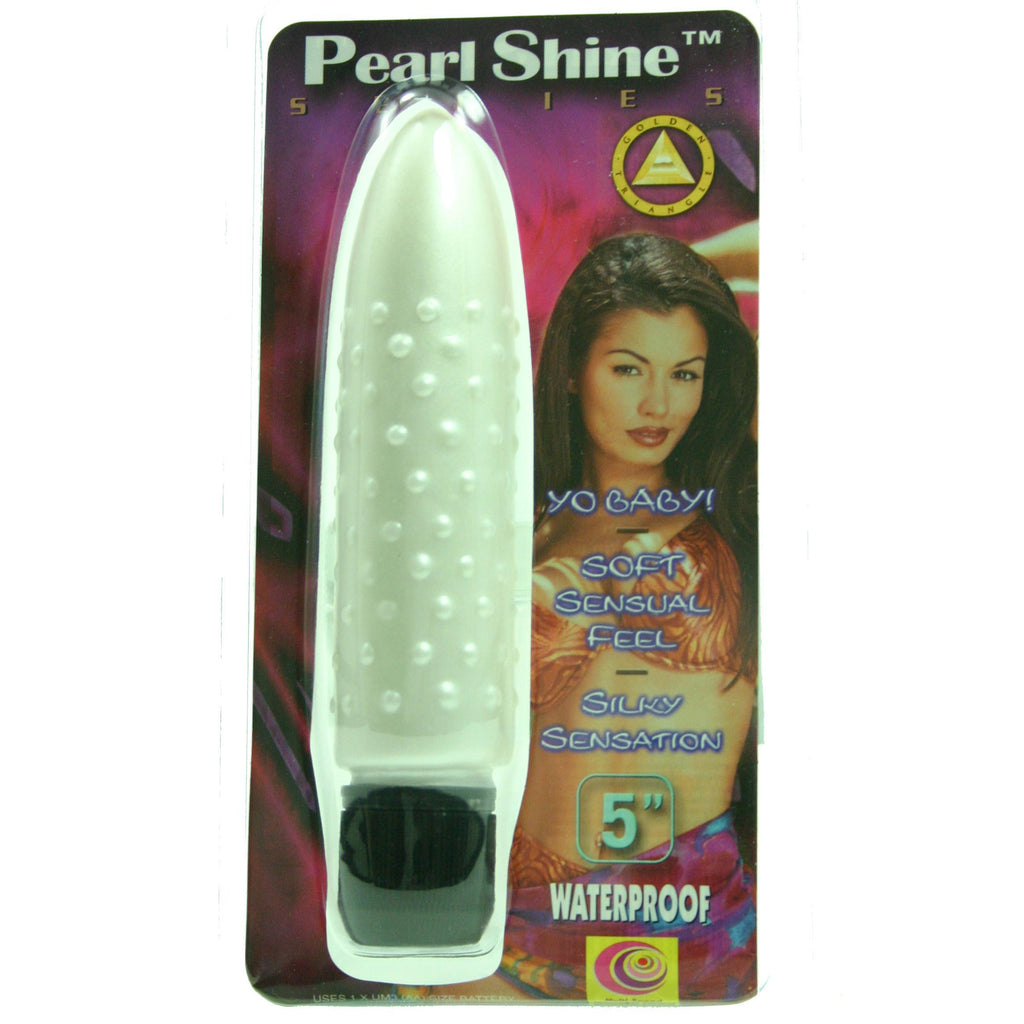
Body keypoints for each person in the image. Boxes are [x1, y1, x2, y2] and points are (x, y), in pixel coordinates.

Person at [501, 233, 759, 1001]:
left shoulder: (743, 505)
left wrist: (678, 266)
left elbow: (805, 260)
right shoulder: (519, 532)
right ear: (571, 369)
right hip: (518, 926)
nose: (658, 406)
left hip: (699, 926)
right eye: (627, 367)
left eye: (685, 374)